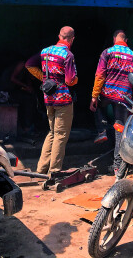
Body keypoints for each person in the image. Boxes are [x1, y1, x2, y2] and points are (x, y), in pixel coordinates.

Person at [26, 26, 78, 174]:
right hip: (63, 100)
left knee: (52, 132)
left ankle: (41, 169)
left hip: (48, 97)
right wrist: (76, 80)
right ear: (71, 39)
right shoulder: (68, 55)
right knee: (61, 135)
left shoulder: (45, 51)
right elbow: (69, 80)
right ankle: (54, 171)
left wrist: (44, 78)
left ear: (59, 36)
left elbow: (29, 64)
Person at [91, 30, 133, 175]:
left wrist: (94, 96)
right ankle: (118, 167)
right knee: (120, 130)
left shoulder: (108, 52)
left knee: (95, 107)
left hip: (107, 94)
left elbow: (100, 75)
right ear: (126, 40)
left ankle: (101, 130)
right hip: (124, 97)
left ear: (114, 39)